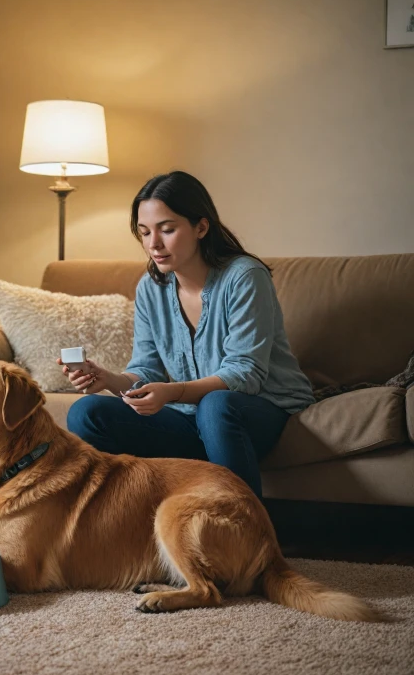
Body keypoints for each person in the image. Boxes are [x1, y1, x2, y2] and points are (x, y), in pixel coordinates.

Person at [59, 171, 315, 499]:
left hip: (258, 412)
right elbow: (146, 370)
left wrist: (173, 392)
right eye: (144, 232)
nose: (154, 244)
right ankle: (126, 529)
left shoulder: (245, 278)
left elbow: (245, 374)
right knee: (87, 412)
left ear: (201, 227)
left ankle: (238, 530)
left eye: (167, 229)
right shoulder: (151, 289)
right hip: (191, 418)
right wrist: (107, 379)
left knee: (216, 404)